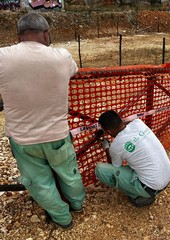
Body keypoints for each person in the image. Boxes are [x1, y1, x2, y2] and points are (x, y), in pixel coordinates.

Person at [0, 13, 85, 230]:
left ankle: (62, 219)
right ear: (46, 34)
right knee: (68, 173)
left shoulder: (2, 56)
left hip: (23, 139)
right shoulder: (62, 56)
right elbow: (73, 72)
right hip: (57, 135)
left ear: (18, 35)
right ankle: (77, 204)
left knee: (40, 183)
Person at [95, 110, 170, 207]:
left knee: (100, 169)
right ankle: (142, 190)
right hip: (167, 176)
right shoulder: (138, 123)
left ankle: (138, 196)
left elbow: (114, 167)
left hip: (151, 188)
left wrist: (106, 147)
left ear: (109, 131)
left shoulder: (116, 145)